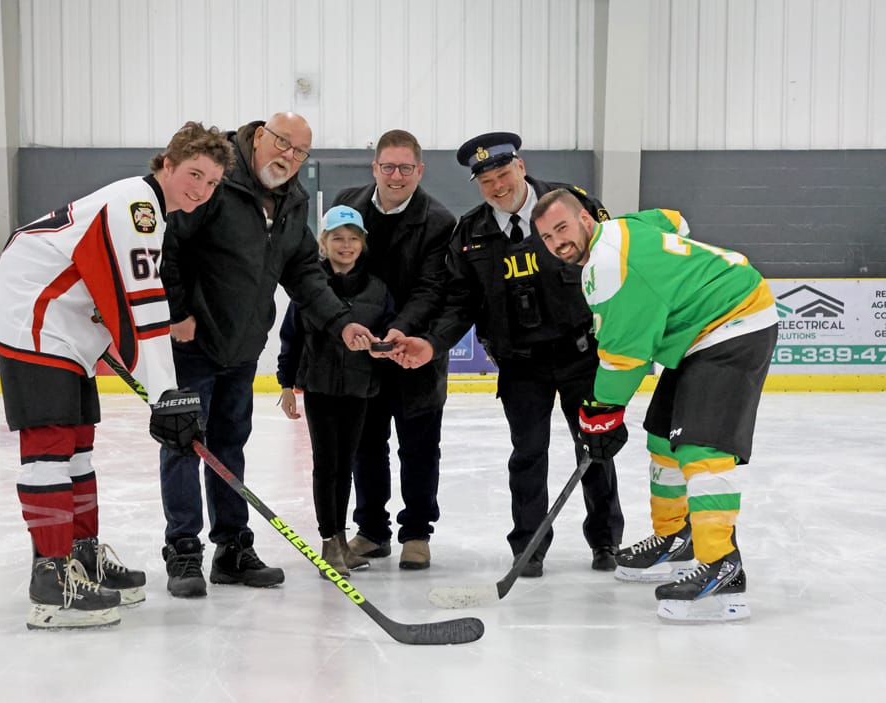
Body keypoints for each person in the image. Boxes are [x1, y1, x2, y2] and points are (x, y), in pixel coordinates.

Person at [0, 121, 233, 630]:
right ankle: (52, 582)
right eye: (194, 174)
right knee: (49, 447)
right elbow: (144, 305)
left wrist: (164, 392)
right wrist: (169, 396)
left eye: (211, 183)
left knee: (78, 446)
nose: (201, 190)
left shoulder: (147, 211)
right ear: (166, 163)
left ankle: (81, 555)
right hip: (35, 321)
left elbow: (116, 293)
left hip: (64, 331)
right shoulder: (138, 206)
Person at [532, 190, 778, 621]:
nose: (557, 243)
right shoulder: (625, 227)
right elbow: (674, 221)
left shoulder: (608, 269)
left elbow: (625, 359)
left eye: (562, 228)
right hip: (694, 335)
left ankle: (723, 570)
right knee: (663, 437)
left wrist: (600, 414)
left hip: (734, 320)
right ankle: (675, 539)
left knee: (702, 448)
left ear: (586, 219)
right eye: (548, 238)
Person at [159, 112, 376, 598]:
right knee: (182, 444)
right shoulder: (219, 183)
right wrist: (178, 311)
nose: (289, 157)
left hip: (242, 349)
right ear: (259, 137)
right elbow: (170, 245)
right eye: (282, 144)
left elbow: (304, 274)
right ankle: (184, 549)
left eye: (300, 152)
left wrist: (340, 322)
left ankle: (233, 548)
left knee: (229, 446)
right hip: (192, 345)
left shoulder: (293, 203)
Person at [390, 132, 624, 576]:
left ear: (520, 165)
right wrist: (433, 343)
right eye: (487, 182)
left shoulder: (568, 206)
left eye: (503, 174)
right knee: (528, 454)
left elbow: (613, 264)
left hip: (581, 357)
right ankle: (529, 546)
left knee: (594, 450)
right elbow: (459, 302)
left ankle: (606, 540)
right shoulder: (471, 232)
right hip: (520, 365)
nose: (498, 187)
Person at [331, 129, 456, 570]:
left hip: (413, 352)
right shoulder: (348, 202)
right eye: (388, 166)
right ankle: (371, 530)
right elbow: (334, 266)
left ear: (419, 170)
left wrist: (398, 333)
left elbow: (430, 289)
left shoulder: (439, 221)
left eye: (406, 167)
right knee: (366, 445)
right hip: (360, 354)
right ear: (375, 168)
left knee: (419, 447)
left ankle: (417, 532)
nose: (396, 175)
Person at [276, 205, 394, 576]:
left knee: (347, 465)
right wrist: (286, 384)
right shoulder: (311, 288)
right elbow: (291, 338)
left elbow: (388, 333)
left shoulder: (377, 288)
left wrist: (381, 347)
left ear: (362, 243)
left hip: (360, 388)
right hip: (321, 387)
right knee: (327, 464)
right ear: (324, 243)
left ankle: (342, 539)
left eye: (353, 238)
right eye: (337, 238)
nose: (346, 245)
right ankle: (329, 539)